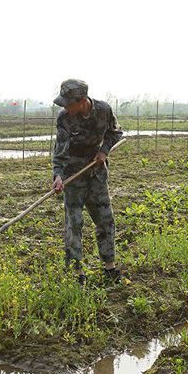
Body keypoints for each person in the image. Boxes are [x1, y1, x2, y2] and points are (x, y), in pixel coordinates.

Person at [51, 79, 124, 284]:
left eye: (68, 103)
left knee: (105, 221)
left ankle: (109, 267)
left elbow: (115, 132)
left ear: (82, 101)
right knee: (74, 225)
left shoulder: (103, 110)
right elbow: (60, 151)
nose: (65, 107)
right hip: (73, 177)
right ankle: (77, 274)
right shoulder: (64, 119)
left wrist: (104, 151)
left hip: (96, 174)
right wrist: (58, 176)